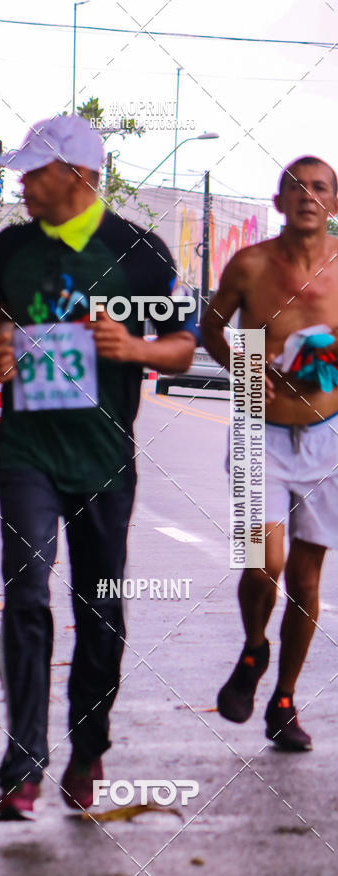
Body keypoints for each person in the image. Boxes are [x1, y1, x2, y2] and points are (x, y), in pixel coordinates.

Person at [0, 115, 197, 820]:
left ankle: (89, 741)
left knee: (98, 608)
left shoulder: (138, 252)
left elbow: (184, 349)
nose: (22, 184)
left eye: (32, 172)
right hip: (27, 452)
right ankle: (22, 763)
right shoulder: (11, 247)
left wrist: (131, 350)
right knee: (27, 596)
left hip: (104, 458)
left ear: (77, 174)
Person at [201, 156, 338, 752]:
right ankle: (255, 646)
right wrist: (244, 366)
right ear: (279, 201)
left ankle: (283, 701)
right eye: (297, 186)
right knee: (264, 563)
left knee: (307, 580)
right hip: (260, 432)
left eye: (322, 187)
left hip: (329, 437)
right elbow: (210, 328)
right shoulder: (250, 264)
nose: (309, 195)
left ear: (334, 204)